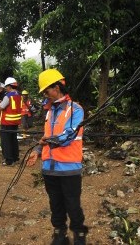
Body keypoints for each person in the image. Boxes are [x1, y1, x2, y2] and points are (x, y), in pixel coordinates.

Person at [27, 69, 88, 245]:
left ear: (57, 87)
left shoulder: (75, 110)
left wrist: (47, 141)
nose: (46, 95)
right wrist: (37, 151)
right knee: (55, 204)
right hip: (49, 168)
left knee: (73, 205)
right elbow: (46, 135)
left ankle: (79, 234)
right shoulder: (50, 111)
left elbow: (70, 135)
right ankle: (60, 233)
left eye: (47, 91)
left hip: (69, 168)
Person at [0, 77, 22, 166]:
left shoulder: (8, 96)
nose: (6, 88)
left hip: (7, 122)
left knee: (6, 141)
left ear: (10, 86)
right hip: (15, 121)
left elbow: (1, 107)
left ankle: (9, 160)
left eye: (6, 87)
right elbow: (11, 105)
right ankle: (15, 157)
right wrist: (2, 102)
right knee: (13, 139)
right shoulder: (18, 95)